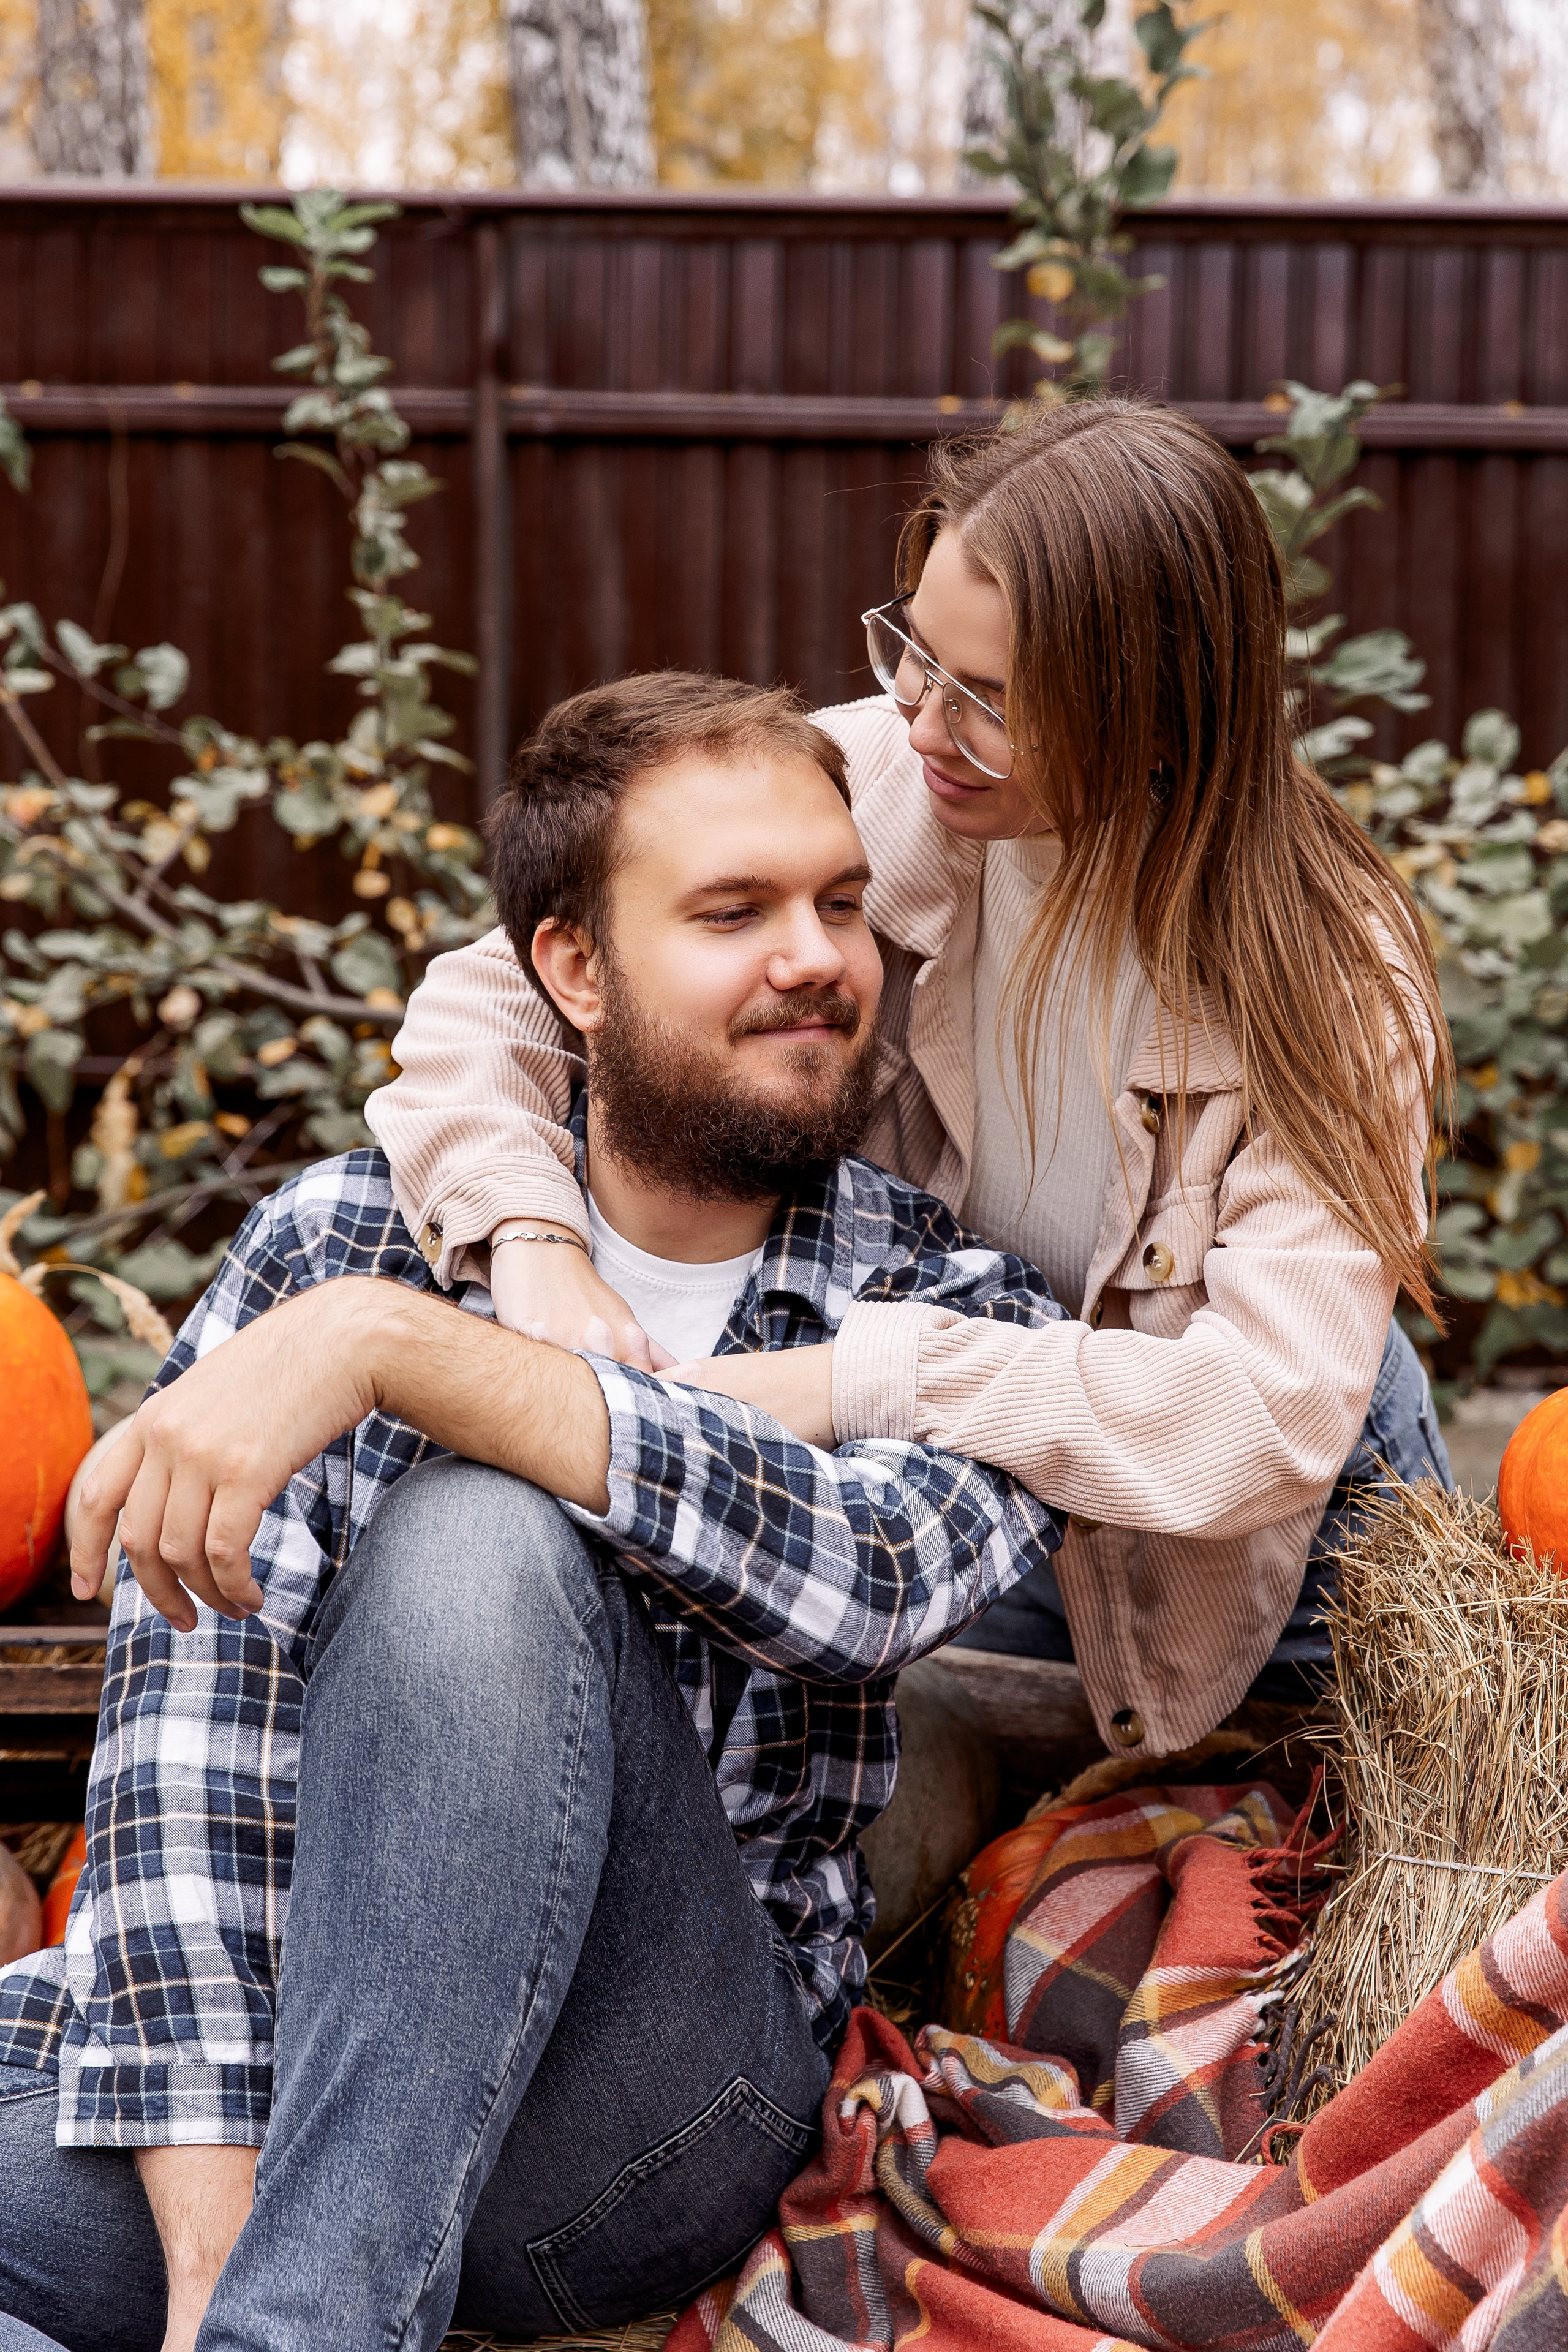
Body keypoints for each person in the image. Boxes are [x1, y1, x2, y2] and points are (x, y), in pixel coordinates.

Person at [0, 675, 1065, 2352]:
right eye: (734, 912)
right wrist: (211, 2262)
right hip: (310, 2045)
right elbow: (194, 1743)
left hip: (646, 2115)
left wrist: (408, 1354)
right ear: (572, 968)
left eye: (841, 905)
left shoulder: (950, 1306)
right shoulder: (336, 1243)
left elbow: (861, 1582)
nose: (816, 958)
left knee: (477, 1537)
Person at [367, 396, 1454, 1762]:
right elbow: (503, 993)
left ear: (1157, 706)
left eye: (985, 698)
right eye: (913, 651)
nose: (922, 718)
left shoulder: (1328, 968)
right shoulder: (889, 775)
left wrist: (862, 1378)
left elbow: (1261, 1419)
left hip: (1254, 1559)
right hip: (976, 1487)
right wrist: (528, 1239)